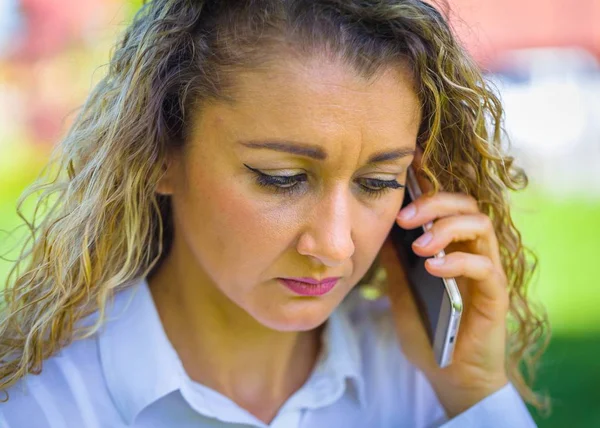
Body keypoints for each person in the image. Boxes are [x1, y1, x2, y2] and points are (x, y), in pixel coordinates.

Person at [0, 0, 551, 427]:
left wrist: (476, 393)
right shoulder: (45, 404)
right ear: (160, 152)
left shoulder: (420, 381)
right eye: (281, 178)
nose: (335, 245)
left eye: (378, 183)